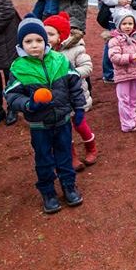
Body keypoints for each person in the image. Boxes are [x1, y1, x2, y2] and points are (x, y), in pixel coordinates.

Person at [5, 18, 88, 214]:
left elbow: (75, 86)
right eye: (28, 41)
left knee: (65, 155)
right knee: (43, 159)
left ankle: (69, 186)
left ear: (46, 42)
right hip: (39, 125)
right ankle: (48, 192)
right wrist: (28, 104)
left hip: (63, 121)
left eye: (38, 40)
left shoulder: (60, 61)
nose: (34, 45)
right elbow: (11, 95)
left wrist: (79, 109)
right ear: (21, 45)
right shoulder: (18, 68)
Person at [44, 13, 98, 169]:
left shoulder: (76, 49)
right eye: (44, 33)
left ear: (61, 36)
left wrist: (70, 75)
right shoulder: (42, 53)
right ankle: (72, 155)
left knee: (80, 124)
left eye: (51, 34)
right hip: (58, 99)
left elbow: (87, 67)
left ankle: (91, 148)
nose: (47, 38)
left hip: (76, 96)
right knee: (64, 127)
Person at [108, 8, 136, 132]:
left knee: (134, 98)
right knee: (124, 99)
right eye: (124, 23)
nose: (127, 26)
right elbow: (114, 57)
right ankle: (127, 123)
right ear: (118, 25)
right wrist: (131, 57)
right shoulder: (115, 41)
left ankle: (133, 116)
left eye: (130, 23)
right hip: (123, 75)